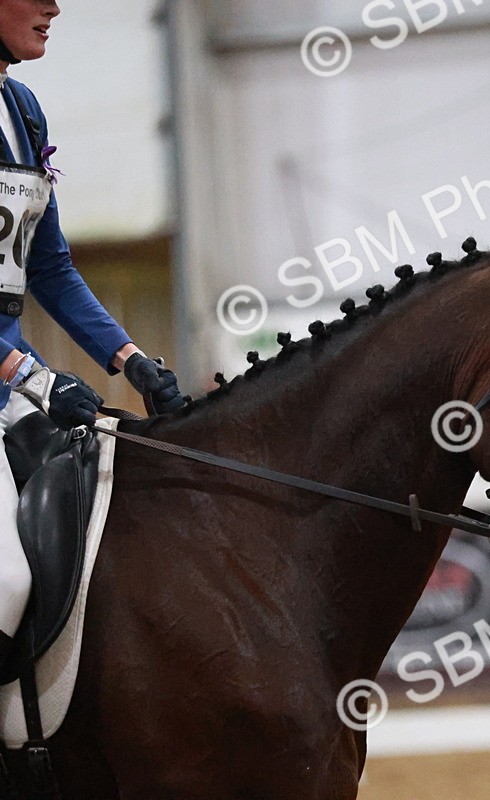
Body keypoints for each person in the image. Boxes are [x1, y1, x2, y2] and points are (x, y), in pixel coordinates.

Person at [0, 0, 185, 679]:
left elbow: (48, 267)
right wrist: (31, 376)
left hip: (12, 390)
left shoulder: (20, 110)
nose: (55, 6)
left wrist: (133, 362)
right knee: (6, 584)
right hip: (12, 381)